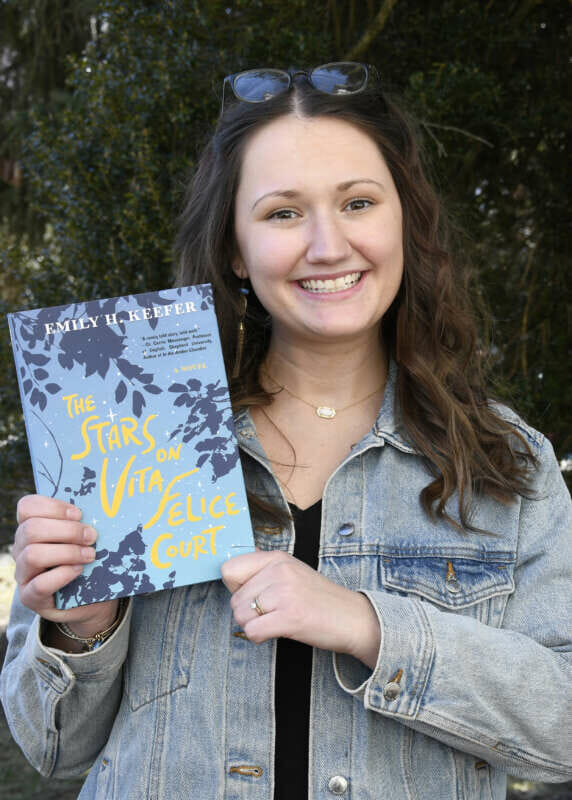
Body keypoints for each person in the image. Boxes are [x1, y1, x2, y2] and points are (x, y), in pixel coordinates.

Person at [2, 62, 571, 800]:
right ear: (236, 248)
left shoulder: (508, 465)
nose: (327, 246)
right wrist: (82, 627)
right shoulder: (128, 439)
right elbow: (53, 747)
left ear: (405, 219)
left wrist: (369, 626)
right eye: (282, 213)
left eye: (359, 202)